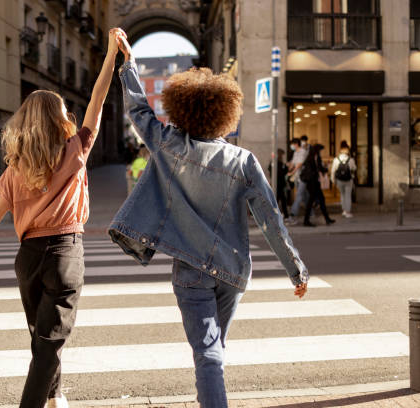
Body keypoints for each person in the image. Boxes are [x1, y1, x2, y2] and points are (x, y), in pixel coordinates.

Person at [108, 33, 308, 408]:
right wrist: (295, 270)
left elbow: (138, 111)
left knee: (208, 352)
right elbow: (271, 221)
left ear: (181, 109)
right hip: (232, 271)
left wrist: (128, 65)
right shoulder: (244, 161)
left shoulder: (167, 144)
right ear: (225, 115)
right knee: (214, 350)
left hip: (191, 274)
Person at [0, 27, 123, 408]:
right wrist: (110, 57)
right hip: (65, 255)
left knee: (43, 339)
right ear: (59, 117)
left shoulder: (17, 167)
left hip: (29, 258)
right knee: (47, 345)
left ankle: (55, 398)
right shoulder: (76, 149)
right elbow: (98, 99)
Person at [300, 144, 335, 227]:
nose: (320, 152)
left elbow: (319, 168)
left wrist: (325, 169)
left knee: (320, 200)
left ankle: (327, 219)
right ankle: (307, 221)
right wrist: (325, 169)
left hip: (314, 183)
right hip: (312, 183)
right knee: (312, 201)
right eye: (320, 150)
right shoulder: (312, 158)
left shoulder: (313, 158)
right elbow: (316, 169)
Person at [331, 141, 357, 218]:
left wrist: (333, 180)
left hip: (339, 180)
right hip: (348, 180)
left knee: (342, 195)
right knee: (348, 195)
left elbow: (333, 170)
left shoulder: (336, 159)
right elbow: (354, 168)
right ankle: (348, 211)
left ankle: (344, 210)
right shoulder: (351, 159)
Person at [286, 138, 309, 224]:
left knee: (299, 195)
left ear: (296, 144)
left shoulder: (302, 152)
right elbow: (293, 163)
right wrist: (289, 166)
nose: (291, 146)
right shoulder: (295, 152)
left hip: (303, 177)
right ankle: (311, 212)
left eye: (292, 144)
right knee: (305, 196)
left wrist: (292, 172)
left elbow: (299, 164)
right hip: (297, 178)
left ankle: (293, 215)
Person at [268, 148, 289, 218]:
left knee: (280, 199)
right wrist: (286, 167)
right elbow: (283, 173)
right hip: (280, 183)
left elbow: (269, 170)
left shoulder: (272, 162)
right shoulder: (280, 163)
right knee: (281, 200)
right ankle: (285, 215)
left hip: (276, 183)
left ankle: (285, 215)